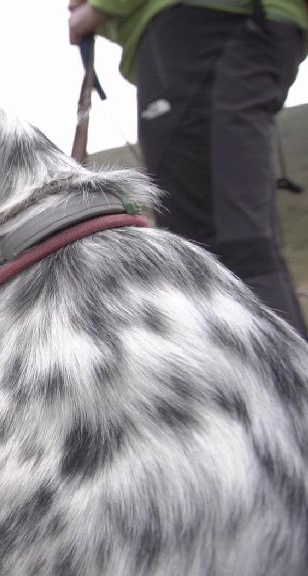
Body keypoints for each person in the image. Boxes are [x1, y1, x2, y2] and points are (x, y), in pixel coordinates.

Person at [69, 0, 308, 340]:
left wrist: (100, 7)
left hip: (207, 26)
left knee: (213, 251)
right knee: (221, 245)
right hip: (220, 28)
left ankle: (281, 385)